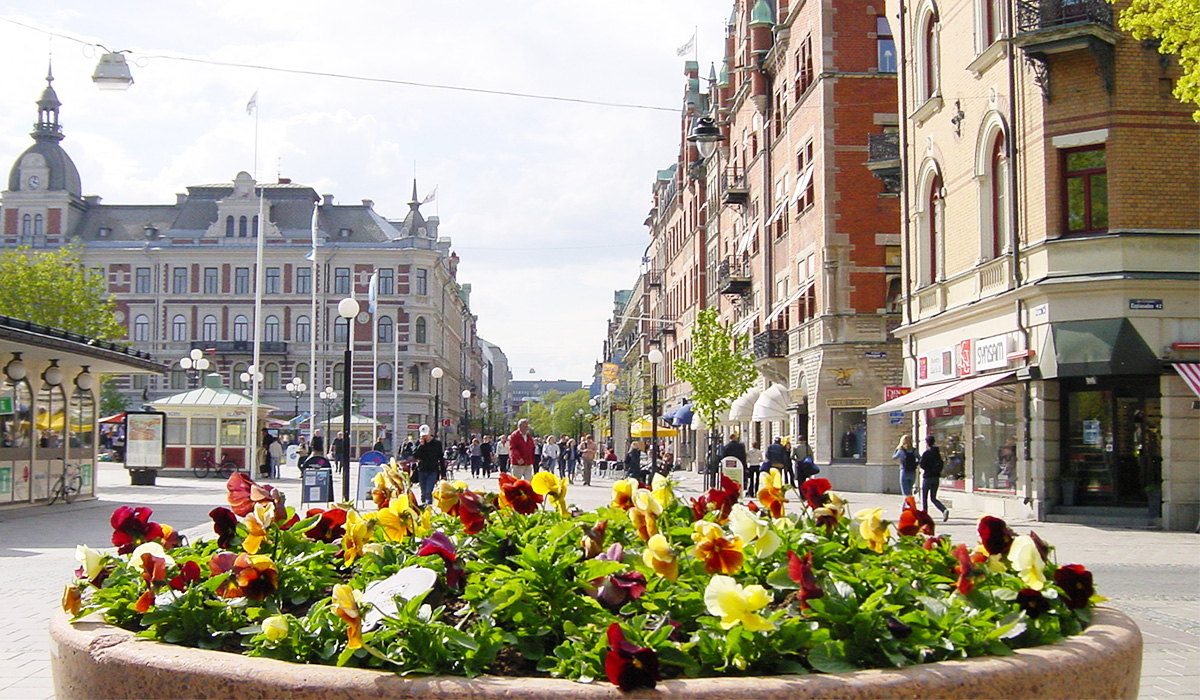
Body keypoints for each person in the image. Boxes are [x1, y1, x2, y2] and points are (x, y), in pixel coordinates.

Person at [413, 425, 445, 506]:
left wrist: (443, 473)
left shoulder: (437, 444)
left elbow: (441, 458)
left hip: (432, 470)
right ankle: (424, 507)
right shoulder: (419, 443)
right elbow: (415, 455)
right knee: (423, 492)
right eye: (422, 435)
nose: (424, 437)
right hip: (421, 470)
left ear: (429, 433)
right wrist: (421, 445)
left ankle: (428, 507)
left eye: (425, 435)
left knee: (428, 491)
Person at [919, 435, 949, 520]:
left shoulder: (926, 453)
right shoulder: (938, 453)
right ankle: (943, 510)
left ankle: (925, 515)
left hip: (927, 477)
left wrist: (927, 469)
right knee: (933, 498)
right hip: (936, 478)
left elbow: (922, 465)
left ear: (927, 443)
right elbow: (941, 464)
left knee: (924, 498)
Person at [893, 435, 920, 503]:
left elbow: (894, 457)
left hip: (904, 472)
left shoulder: (901, 451)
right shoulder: (914, 450)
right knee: (910, 492)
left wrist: (897, 448)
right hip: (912, 473)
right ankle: (910, 508)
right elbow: (920, 458)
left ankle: (906, 509)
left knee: (905, 494)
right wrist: (916, 464)